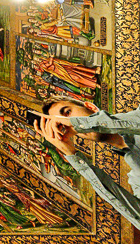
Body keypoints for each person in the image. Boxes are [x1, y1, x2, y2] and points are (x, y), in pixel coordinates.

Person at [35, 95, 140, 229]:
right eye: (61, 125)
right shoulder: (136, 177)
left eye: (67, 113)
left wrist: (79, 123)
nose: (67, 125)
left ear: (90, 107)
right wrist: (72, 155)